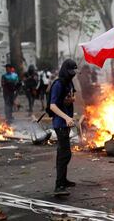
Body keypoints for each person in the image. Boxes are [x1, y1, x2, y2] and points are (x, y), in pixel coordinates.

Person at [49, 59, 78, 196]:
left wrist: (71, 100)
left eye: (74, 72)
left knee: (63, 153)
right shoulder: (58, 84)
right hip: (60, 124)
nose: (72, 74)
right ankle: (59, 186)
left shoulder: (69, 82)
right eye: (70, 72)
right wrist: (66, 117)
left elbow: (72, 95)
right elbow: (52, 105)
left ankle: (63, 180)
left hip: (66, 123)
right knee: (64, 154)